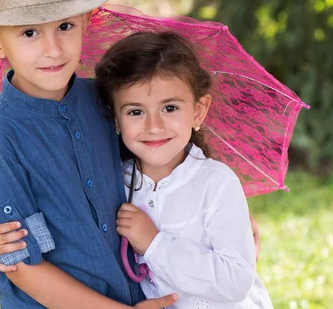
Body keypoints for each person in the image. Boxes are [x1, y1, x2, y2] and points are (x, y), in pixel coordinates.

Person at [0, 0, 178, 308]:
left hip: (131, 290)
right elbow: (22, 267)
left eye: (64, 26)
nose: (53, 49)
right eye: (29, 32)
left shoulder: (105, 99)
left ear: (85, 21)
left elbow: (164, 163)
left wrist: (221, 219)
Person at [94, 31, 273, 308]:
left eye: (170, 108)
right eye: (135, 112)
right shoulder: (113, 180)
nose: (154, 126)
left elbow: (236, 282)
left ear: (198, 111)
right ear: (115, 118)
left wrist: (154, 244)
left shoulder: (216, 183)